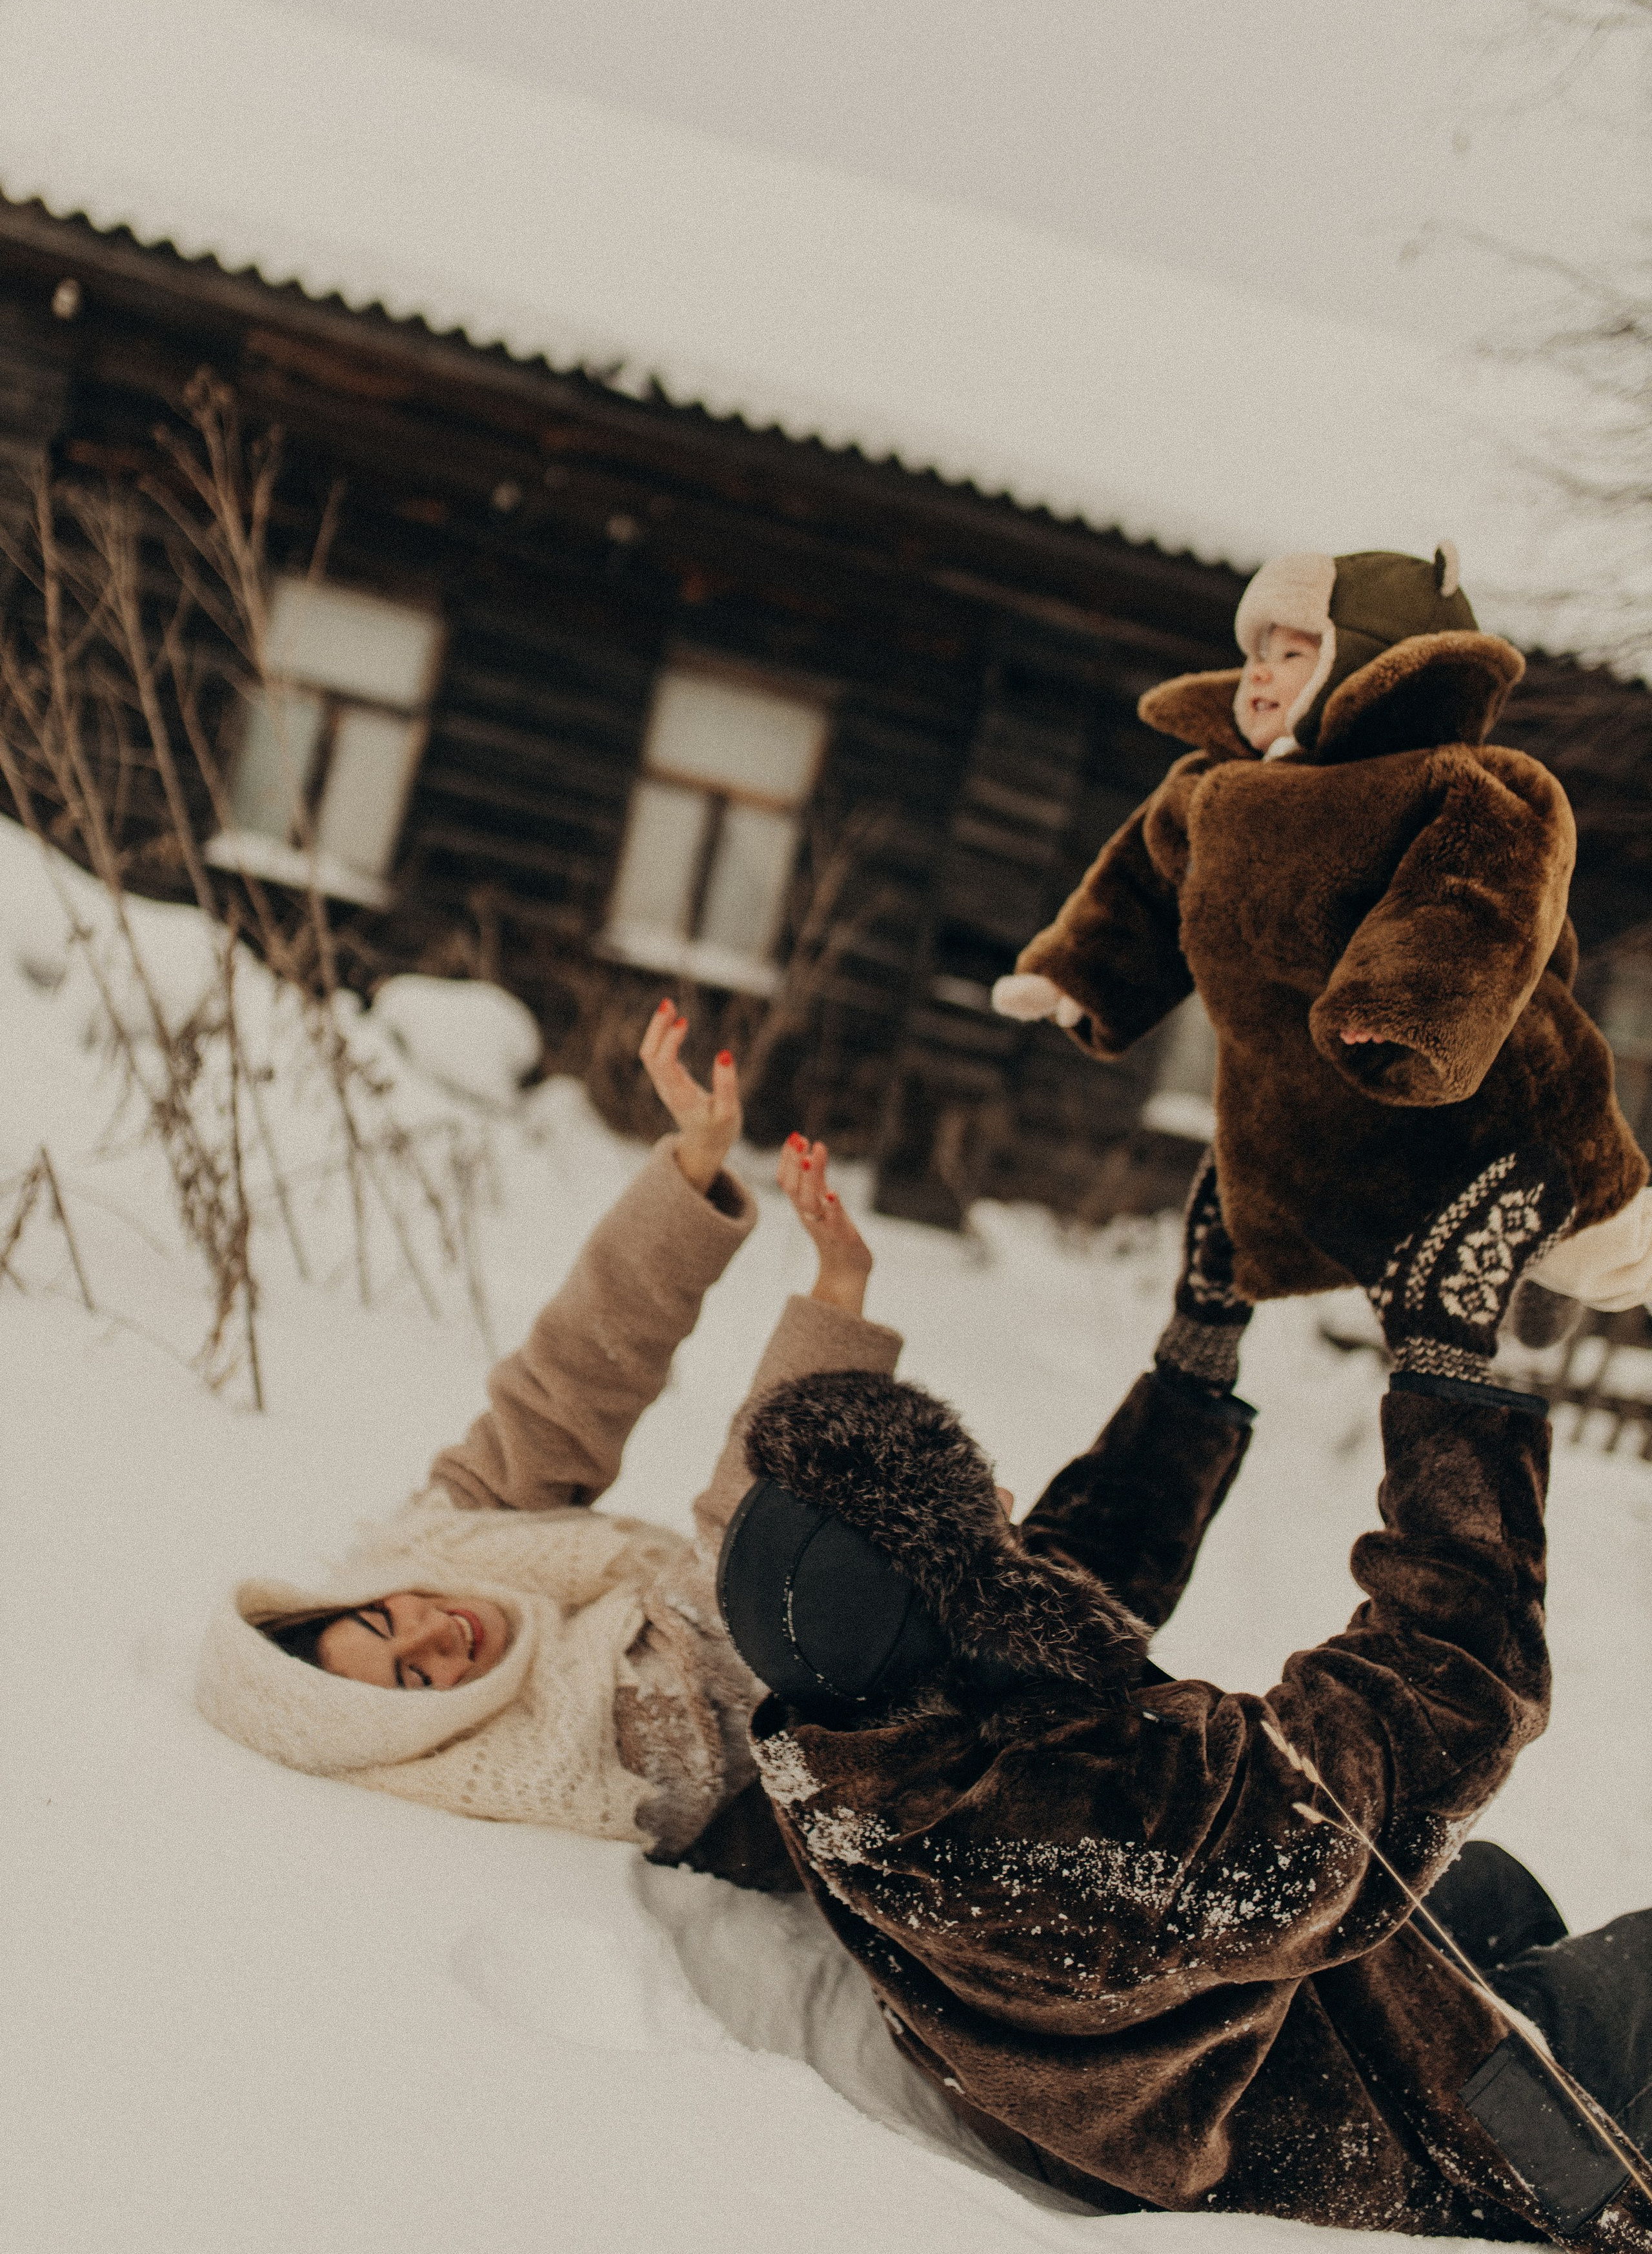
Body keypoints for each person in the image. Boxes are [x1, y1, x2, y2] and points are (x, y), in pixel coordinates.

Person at [716, 1146, 1652, 2246]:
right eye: (985, 1523)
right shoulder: (1092, 1834)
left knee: (1489, 1890)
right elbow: (1439, 1692)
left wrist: (1199, 1342)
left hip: (1235, 2025)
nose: (1012, 1503)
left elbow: (1055, 1585)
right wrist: (1449, 1372)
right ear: (949, 1612)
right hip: (1343, 2133)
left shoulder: (842, 1730)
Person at [194, 1002, 896, 1887]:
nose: (435, 1633)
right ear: (420, 1738)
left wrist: (692, 1162)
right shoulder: (610, 1760)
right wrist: (837, 1294)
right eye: (416, 1684)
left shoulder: (426, 1550)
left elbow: (563, 1394)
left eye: (381, 1620)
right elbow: (741, 1577)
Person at [992, 545, 1652, 1398]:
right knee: (1304, 1213)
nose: (1258, 677)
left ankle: (1555, 1258)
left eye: (1293, 654)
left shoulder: (1451, 781)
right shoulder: (1211, 796)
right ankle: (1509, 1271)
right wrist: (1078, 974)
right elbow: (1147, 890)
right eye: (1255, 657)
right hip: (1318, 1106)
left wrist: (1404, 1001)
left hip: (1486, 1088)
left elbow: (1472, 894)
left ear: (1372, 665)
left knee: (1595, 1239)